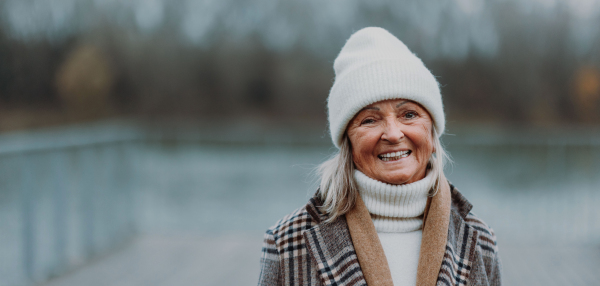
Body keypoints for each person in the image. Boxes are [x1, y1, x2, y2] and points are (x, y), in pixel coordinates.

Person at [258, 27, 501, 286]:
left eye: (409, 114)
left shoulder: (480, 239)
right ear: (348, 142)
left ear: (432, 133)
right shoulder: (286, 243)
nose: (394, 134)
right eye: (370, 120)